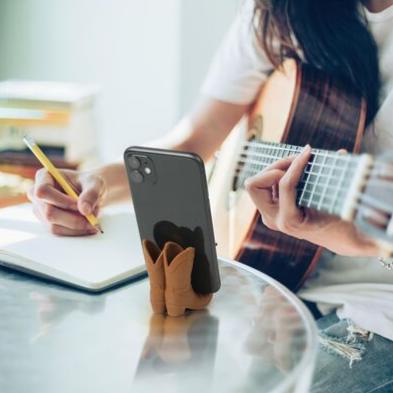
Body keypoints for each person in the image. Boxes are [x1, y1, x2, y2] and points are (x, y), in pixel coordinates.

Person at [29, 0, 393, 391]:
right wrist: (94, 182)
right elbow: (195, 144)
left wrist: (369, 242)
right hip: (267, 278)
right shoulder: (281, 12)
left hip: (378, 308)